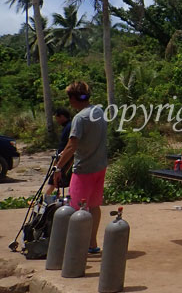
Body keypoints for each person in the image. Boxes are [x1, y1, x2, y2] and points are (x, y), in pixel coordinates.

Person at [53, 81, 107, 254]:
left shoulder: (79, 118)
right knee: (94, 206)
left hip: (84, 170)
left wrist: (58, 167)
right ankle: (91, 244)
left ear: (74, 98)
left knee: (77, 209)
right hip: (100, 167)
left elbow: (71, 146)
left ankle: (76, 248)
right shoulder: (98, 111)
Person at [44, 108, 73, 196]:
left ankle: (44, 199)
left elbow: (69, 144)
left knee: (54, 179)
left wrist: (60, 158)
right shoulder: (67, 127)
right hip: (63, 156)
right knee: (57, 180)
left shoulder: (69, 127)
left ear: (62, 117)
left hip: (65, 158)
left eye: (57, 118)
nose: (57, 121)